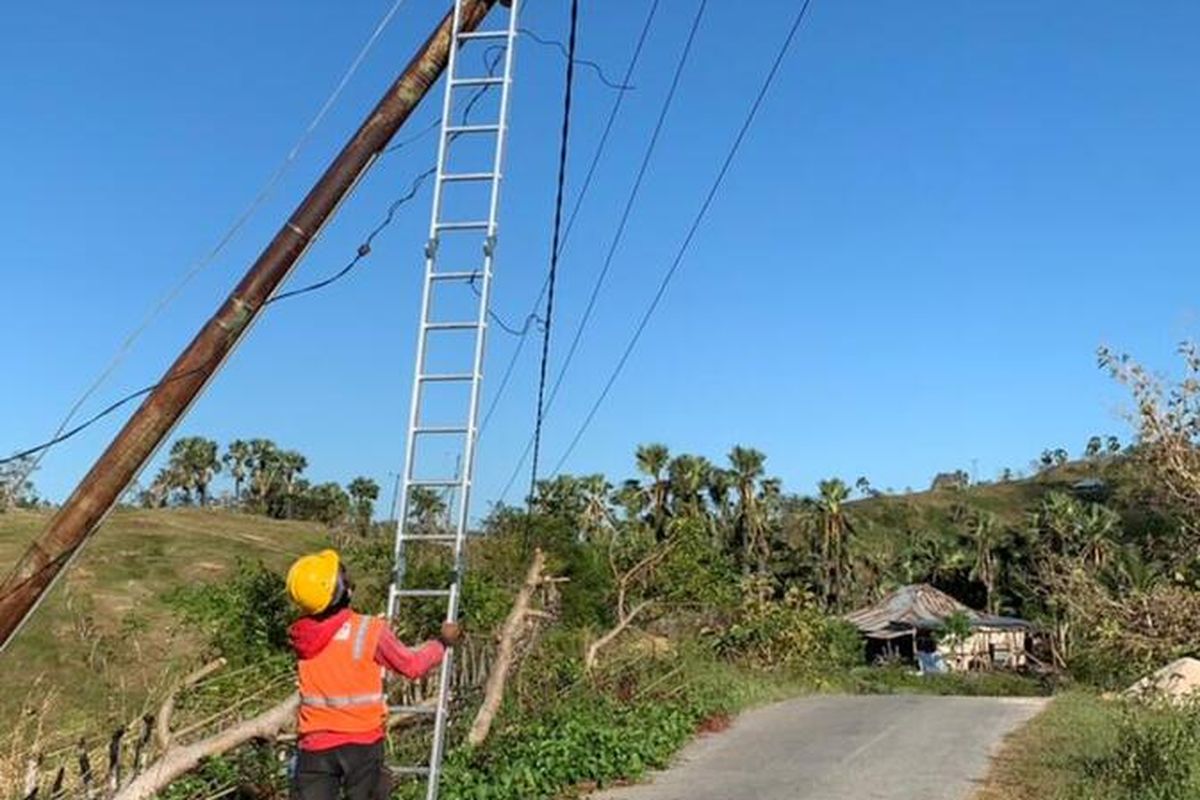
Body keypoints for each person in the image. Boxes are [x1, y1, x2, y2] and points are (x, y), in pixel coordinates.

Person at [285, 549, 461, 800]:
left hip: (315, 747)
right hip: (362, 744)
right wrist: (442, 643)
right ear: (341, 590)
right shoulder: (368, 630)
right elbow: (412, 666)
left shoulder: (301, 636)